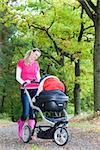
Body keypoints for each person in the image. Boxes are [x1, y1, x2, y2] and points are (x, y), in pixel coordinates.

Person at [16, 48, 41, 139]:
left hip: (35, 89)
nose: (36, 57)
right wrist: (24, 82)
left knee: (32, 113)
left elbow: (38, 77)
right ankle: (20, 126)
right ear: (31, 53)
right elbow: (17, 77)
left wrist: (39, 84)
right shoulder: (21, 62)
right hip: (25, 89)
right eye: (35, 55)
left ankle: (30, 134)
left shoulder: (36, 64)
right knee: (26, 112)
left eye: (38, 56)